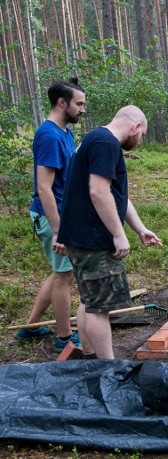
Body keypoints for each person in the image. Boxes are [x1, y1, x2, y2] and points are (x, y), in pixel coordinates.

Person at [57, 106, 163, 359]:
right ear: (135, 127)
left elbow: (118, 195)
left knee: (89, 300)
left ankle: (90, 357)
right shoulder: (107, 144)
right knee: (99, 309)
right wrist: (118, 233)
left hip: (80, 237)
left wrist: (139, 229)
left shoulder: (95, 138)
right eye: (142, 135)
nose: (139, 141)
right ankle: (108, 368)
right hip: (93, 239)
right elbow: (98, 191)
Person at [16, 79, 86, 353]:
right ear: (61, 102)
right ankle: (64, 338)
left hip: (61, 212)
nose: (82, 109)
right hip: (51, 215)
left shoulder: (64, 132)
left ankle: (30, 327)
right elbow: (44, 186)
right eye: (78, 104)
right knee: (64, 276)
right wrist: (59, 230)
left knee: (59, 272)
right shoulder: (49, 136)